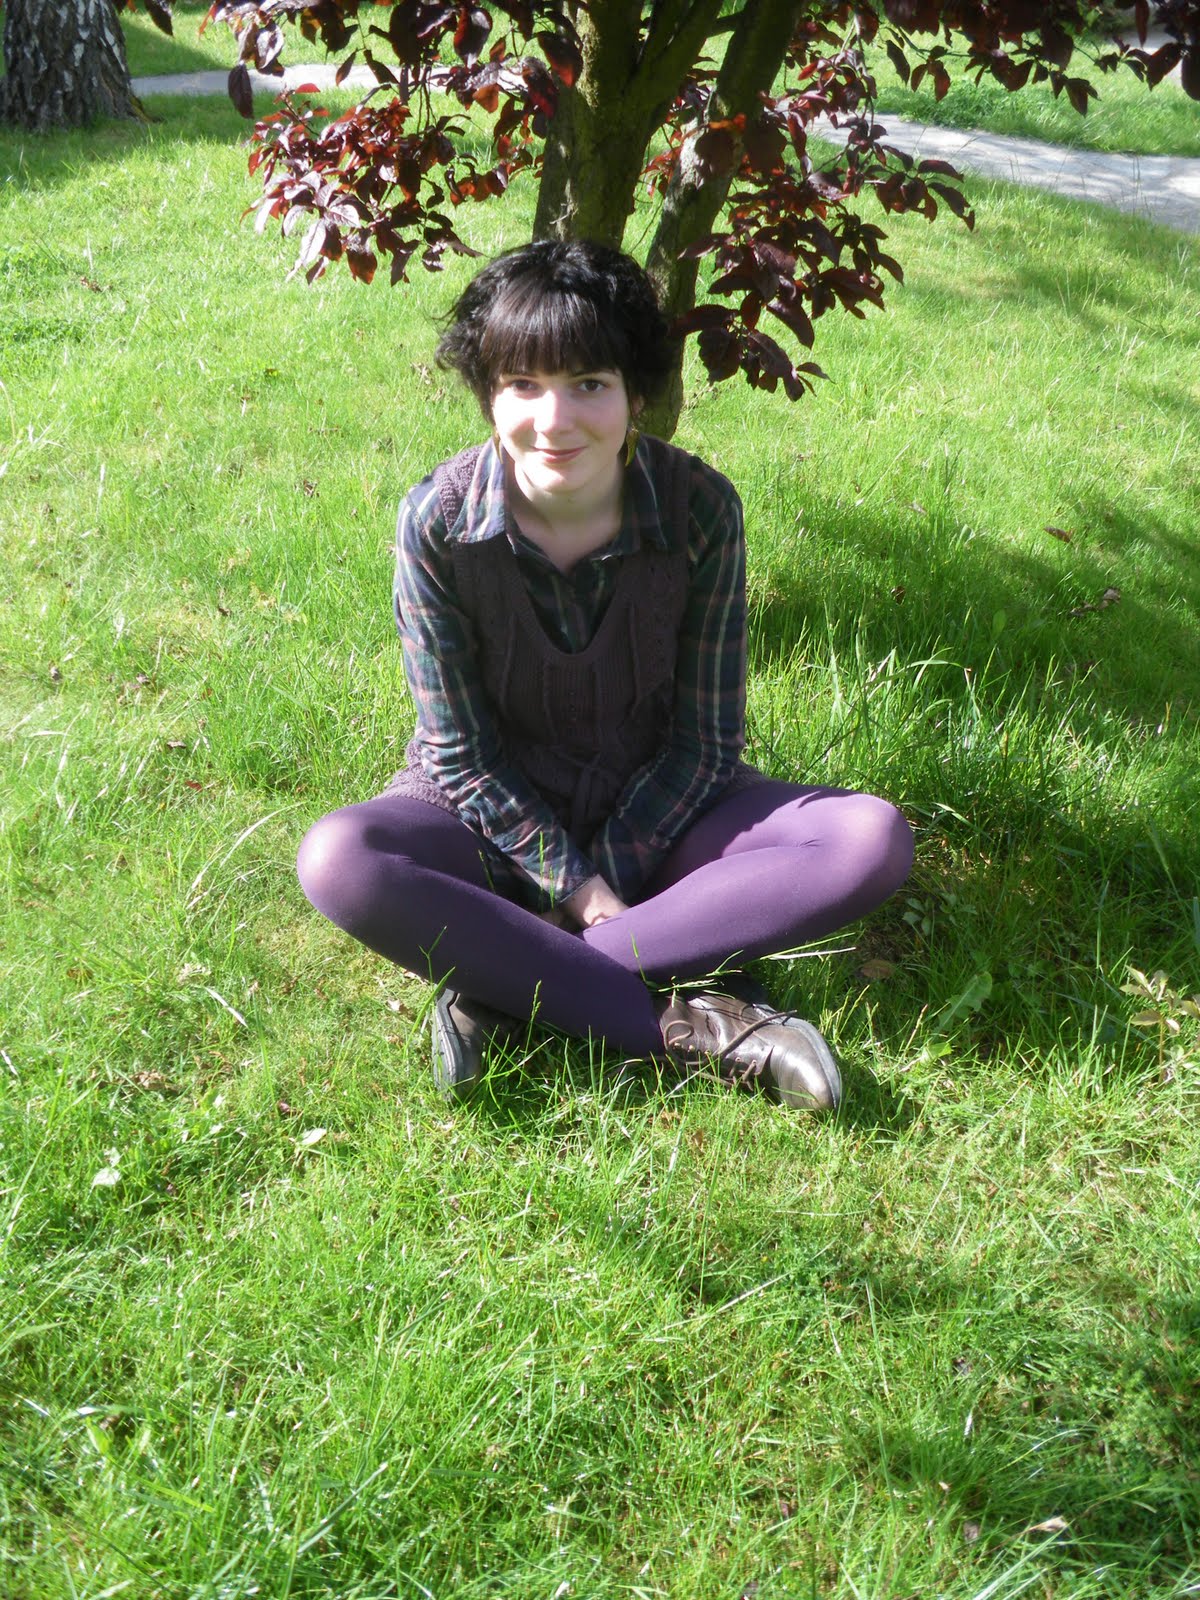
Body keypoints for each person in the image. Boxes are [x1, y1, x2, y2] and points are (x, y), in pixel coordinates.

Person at [297, 240, 913, 1110]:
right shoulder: (437, 519)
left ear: (636, 395)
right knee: (340, 859)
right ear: (488, 395)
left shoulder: (701, 509)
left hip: (667, 817)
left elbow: (706, 742)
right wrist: (578, 884)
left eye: (589, 383)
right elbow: (460, 754)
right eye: (523, 385)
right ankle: (697, 1028)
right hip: (486, 826)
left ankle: (504, 978)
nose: (555, 421)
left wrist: (598, 891)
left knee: (868, 839)